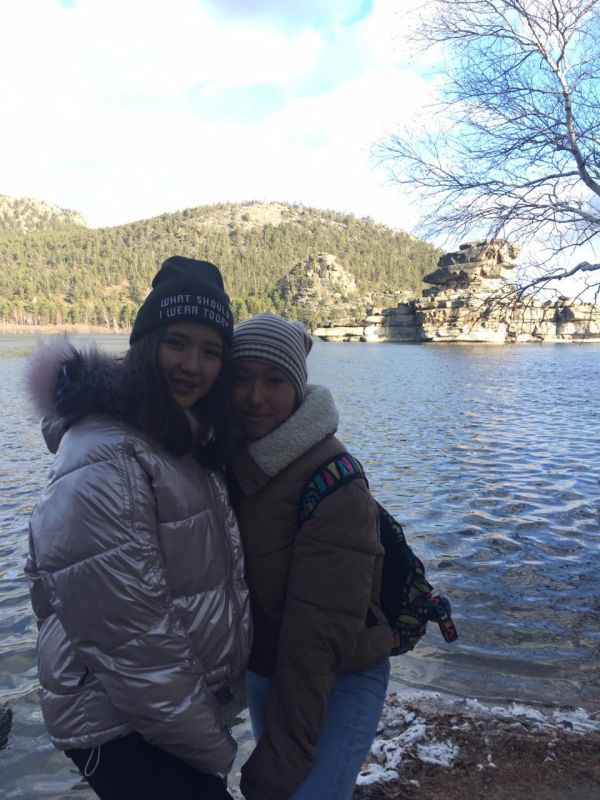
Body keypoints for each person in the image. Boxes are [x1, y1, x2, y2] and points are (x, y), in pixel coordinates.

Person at [25, 257, 251, 800]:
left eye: (211, 351)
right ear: (147, 343)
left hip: (157, 713)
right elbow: (131, 640)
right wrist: (210, 747)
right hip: (123, 723)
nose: (192, 365)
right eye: (177, 342)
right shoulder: (108, 454)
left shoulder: (177, 436)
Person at [228, 313, 394, 800]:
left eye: (274, 380)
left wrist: (283, 755)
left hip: (341, 674)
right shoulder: (237, 460)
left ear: (298, 388)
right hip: (271, 666)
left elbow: (318, 635)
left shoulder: (334, 481)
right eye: (241, 378)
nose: (255, 396)